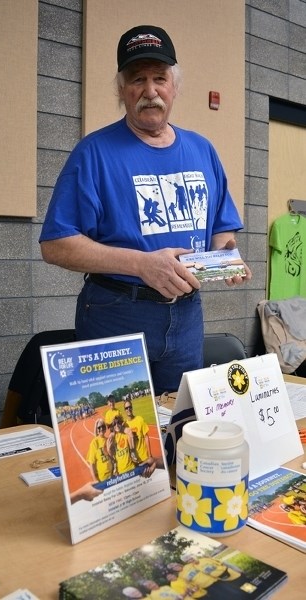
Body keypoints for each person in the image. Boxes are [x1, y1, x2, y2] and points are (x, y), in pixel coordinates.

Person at [39, 24, 252, 397]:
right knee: (115, 439)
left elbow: (222, 228)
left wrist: (226, 257)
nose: (150, 91)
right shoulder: (94, 153)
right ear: (121, 89)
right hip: (116, 312)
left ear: (175, 86)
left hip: (187, 315)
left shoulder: (203, 151)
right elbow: (56, 244)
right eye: (137, 79)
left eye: (159, 78)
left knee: (181, 428)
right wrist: (142, 264)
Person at [86, 418, 113, 483]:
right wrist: (95, 480)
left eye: (103, 426)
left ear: (105, 428)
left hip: (112, 475)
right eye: (99, 427)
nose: (101, 429)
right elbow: (91, 464)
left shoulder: (107, 440)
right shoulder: (94, 443)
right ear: (97, 429)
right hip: (102, 478)